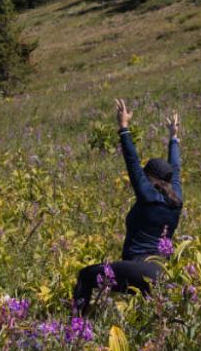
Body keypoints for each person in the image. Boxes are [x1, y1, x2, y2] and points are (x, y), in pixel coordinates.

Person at [72, 100, 183, 313]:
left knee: (86, 276)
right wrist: (173, 138)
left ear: (150, 178)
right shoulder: (176, 199)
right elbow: (175, 168)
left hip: (140, 269)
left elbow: (132, 162)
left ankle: (74, 327)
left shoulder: (147, 195)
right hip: (164, 272)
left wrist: (123, 127)